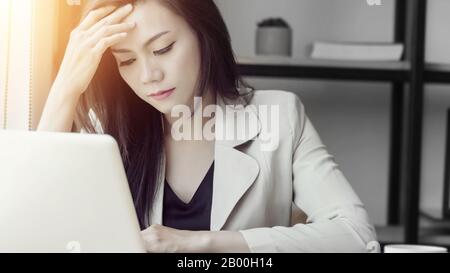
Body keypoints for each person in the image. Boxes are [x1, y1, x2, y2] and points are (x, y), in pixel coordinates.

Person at [38, 0, 377, 252]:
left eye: (163, 48)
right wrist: (65, 88)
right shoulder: (109, 132)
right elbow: (34, 226)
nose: (147, 76)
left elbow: (356, 236)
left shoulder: (280, 115)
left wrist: (205, 244)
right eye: (126, 60)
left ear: (203, 33)